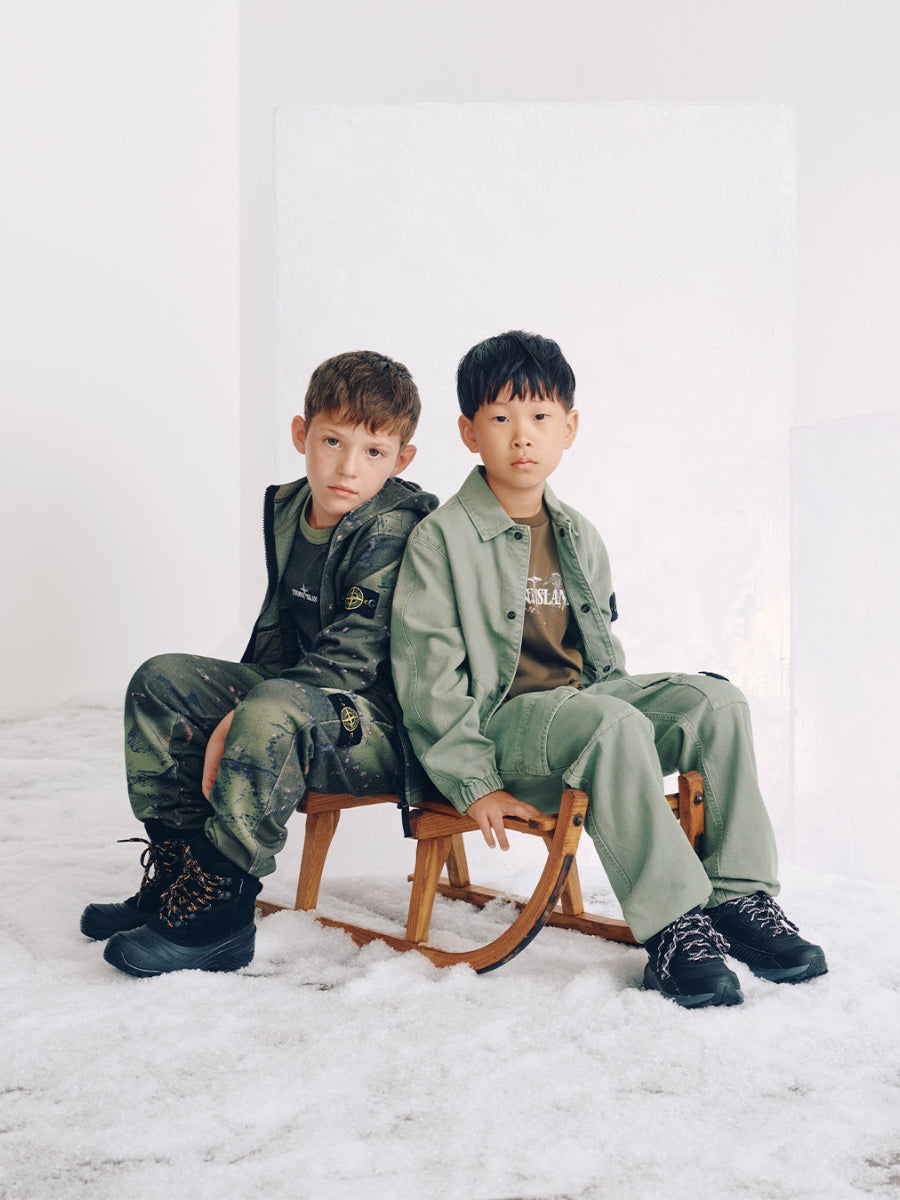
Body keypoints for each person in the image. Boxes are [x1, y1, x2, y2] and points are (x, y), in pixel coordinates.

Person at [390, 330, 826, 1008]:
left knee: (716, 704)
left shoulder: (579, 535)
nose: (522, 436)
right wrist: (473, 783)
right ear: (469, 432)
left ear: (569, 428)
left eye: (540, 416)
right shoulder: (440, 539)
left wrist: (622, 709)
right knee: (607, 722)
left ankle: (738, 900)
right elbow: (428, 681)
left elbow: (601, 663)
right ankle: (674, 928)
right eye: (500, 418)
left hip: (584, 714)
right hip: (502, 732)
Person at [82, 350, 438, 978]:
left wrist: (247, 711)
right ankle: (179, 881)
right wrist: (245, 701)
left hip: (381, 724)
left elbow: (352, 659)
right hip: (297, 695)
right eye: (333, 441)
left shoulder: (392, 529)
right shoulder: (291, 507)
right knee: (160, 680)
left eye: (374, 452)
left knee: (271, 709)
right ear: (302, 434)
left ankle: (220, 916)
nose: (348, 467)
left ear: (401, 460)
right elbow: (283, 630)